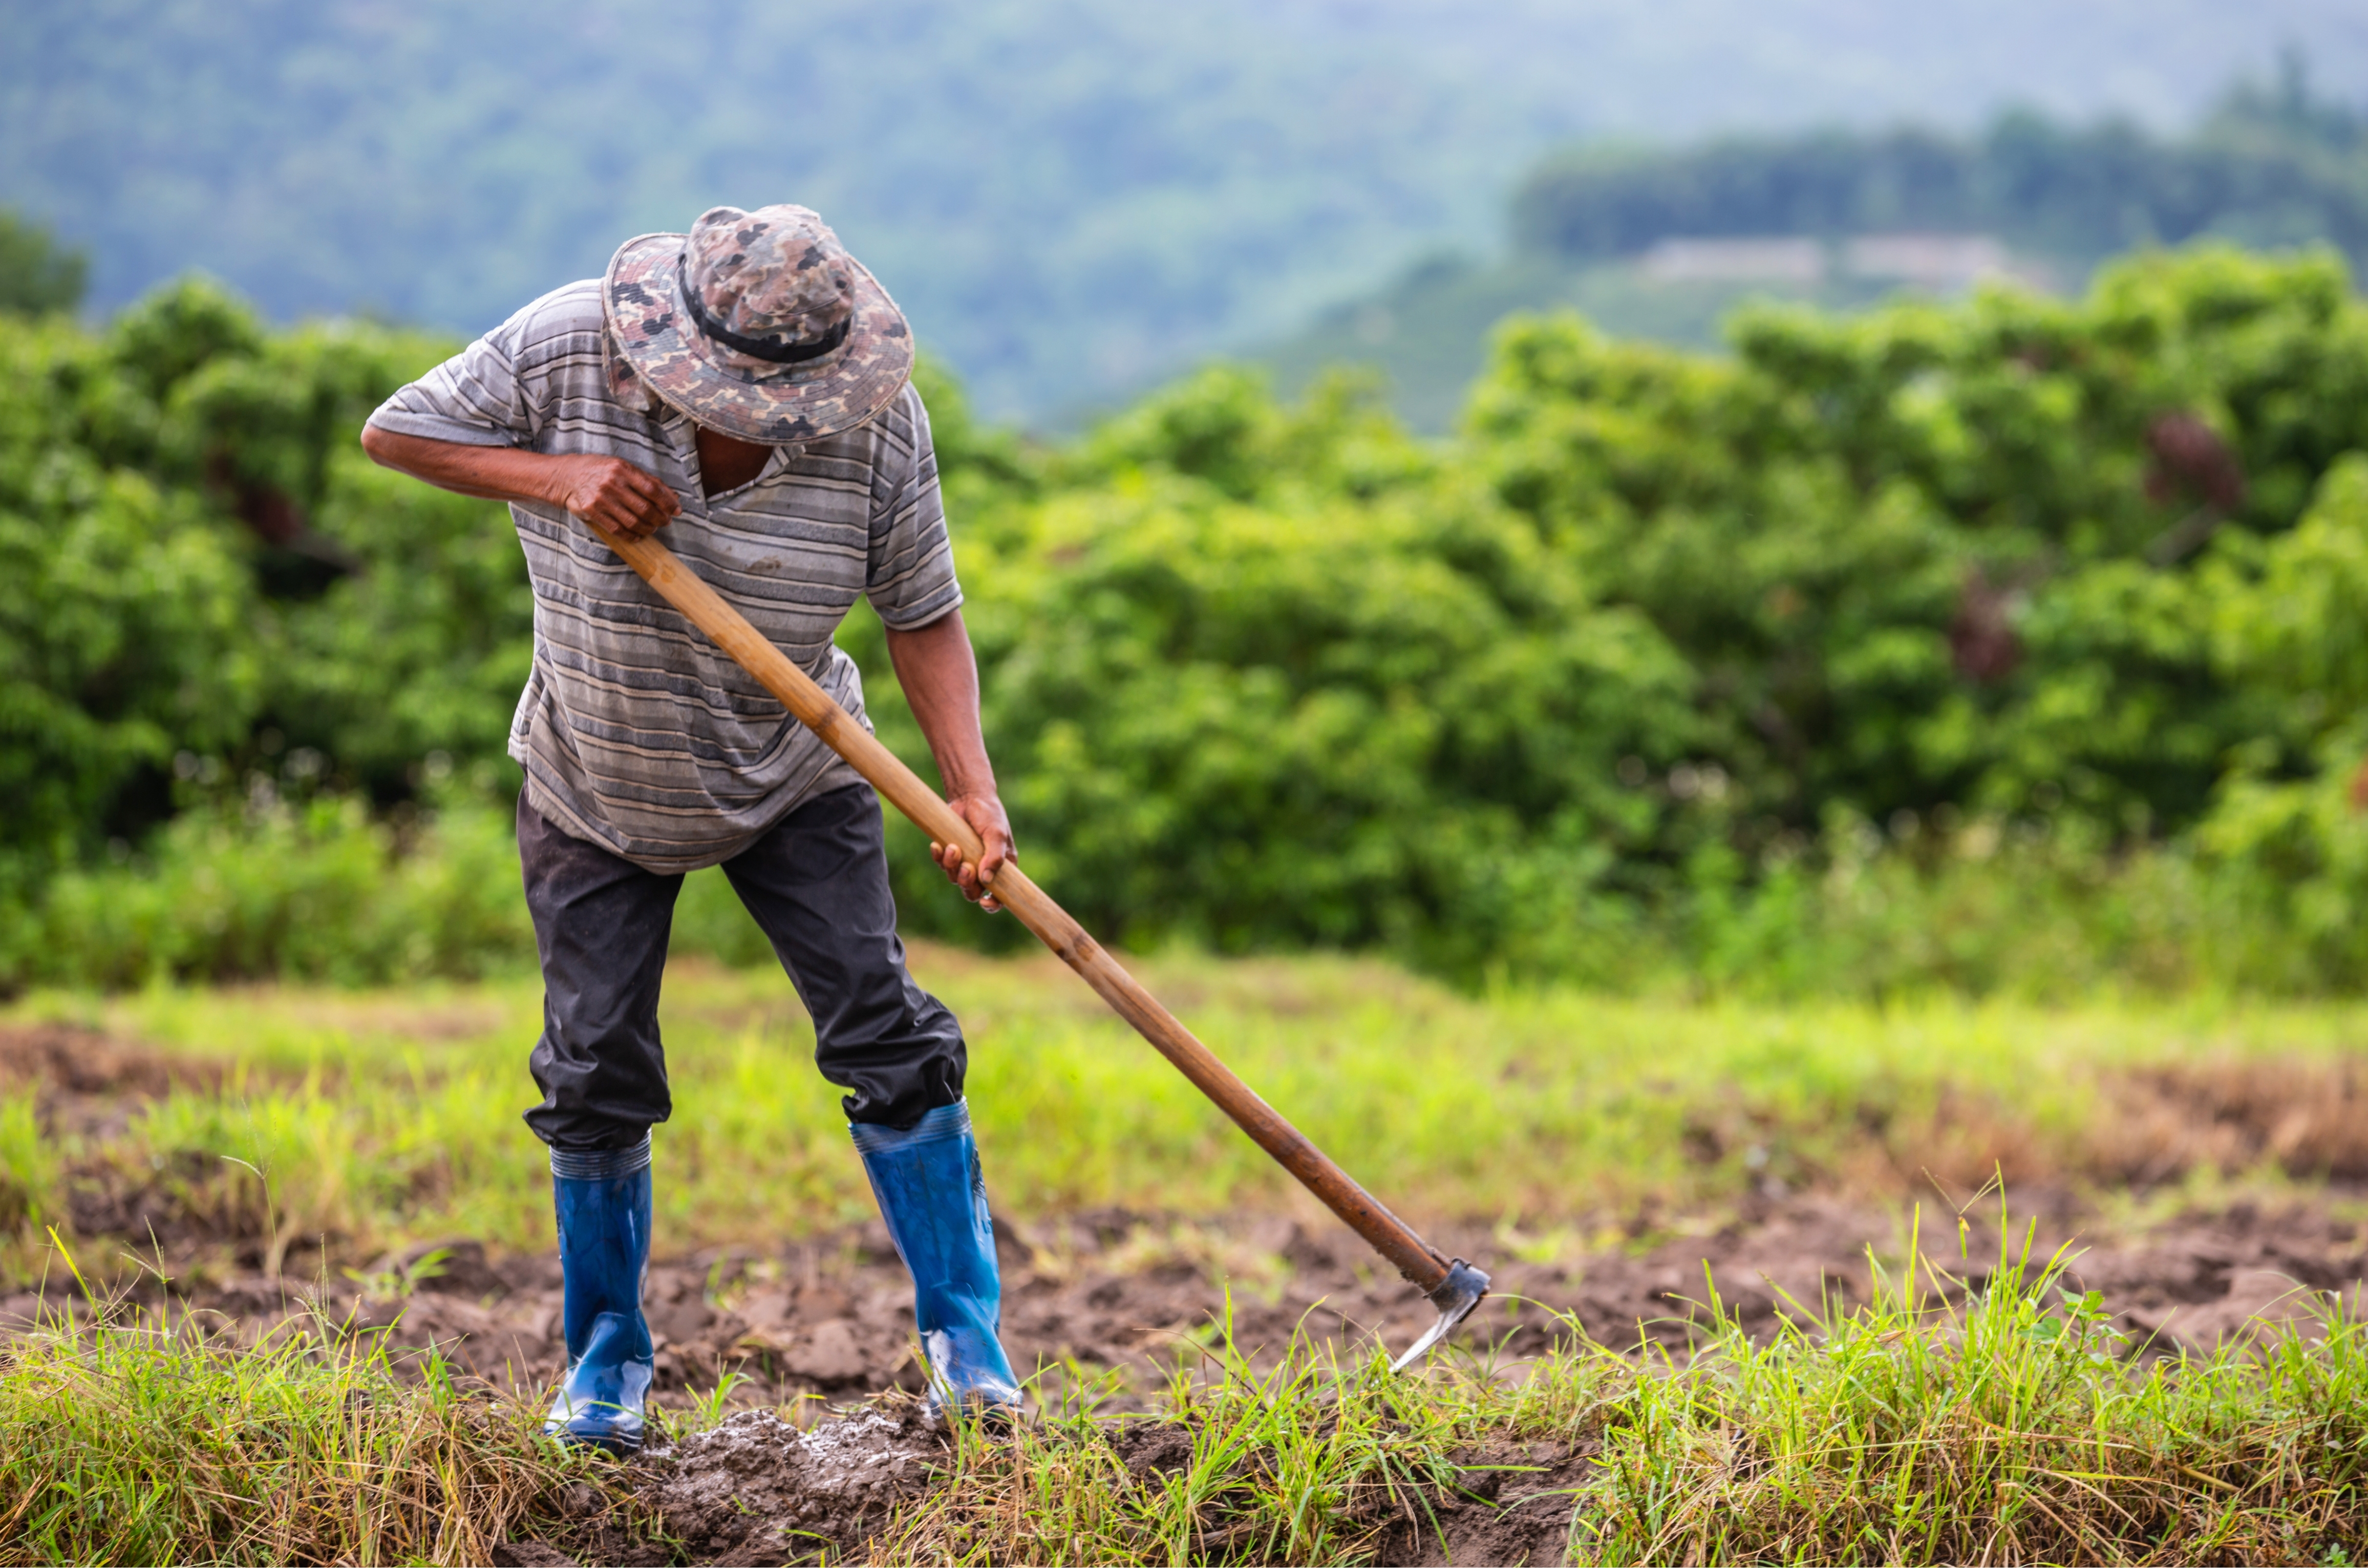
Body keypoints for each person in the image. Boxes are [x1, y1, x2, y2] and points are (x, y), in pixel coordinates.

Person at [360, 205, 1022, 1452]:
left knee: (888, 1034)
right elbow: (397, 431)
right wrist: (559, 477)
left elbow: (922, 610)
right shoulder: (568, 345)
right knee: (595, 1067)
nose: (774, 419)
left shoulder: (878, 424)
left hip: (800, 764)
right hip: (595, 776)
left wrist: (970, 791)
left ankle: (968, 1352)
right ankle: (604, 1367)